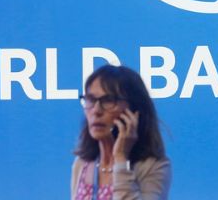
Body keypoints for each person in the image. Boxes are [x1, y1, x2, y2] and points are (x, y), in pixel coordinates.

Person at [71, 64, 171, 200]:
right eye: (91, 100)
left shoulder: (154, 167)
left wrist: (120, 158)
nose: (96, 110)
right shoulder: (82, 164)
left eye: (108, 100)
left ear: (133, 112)